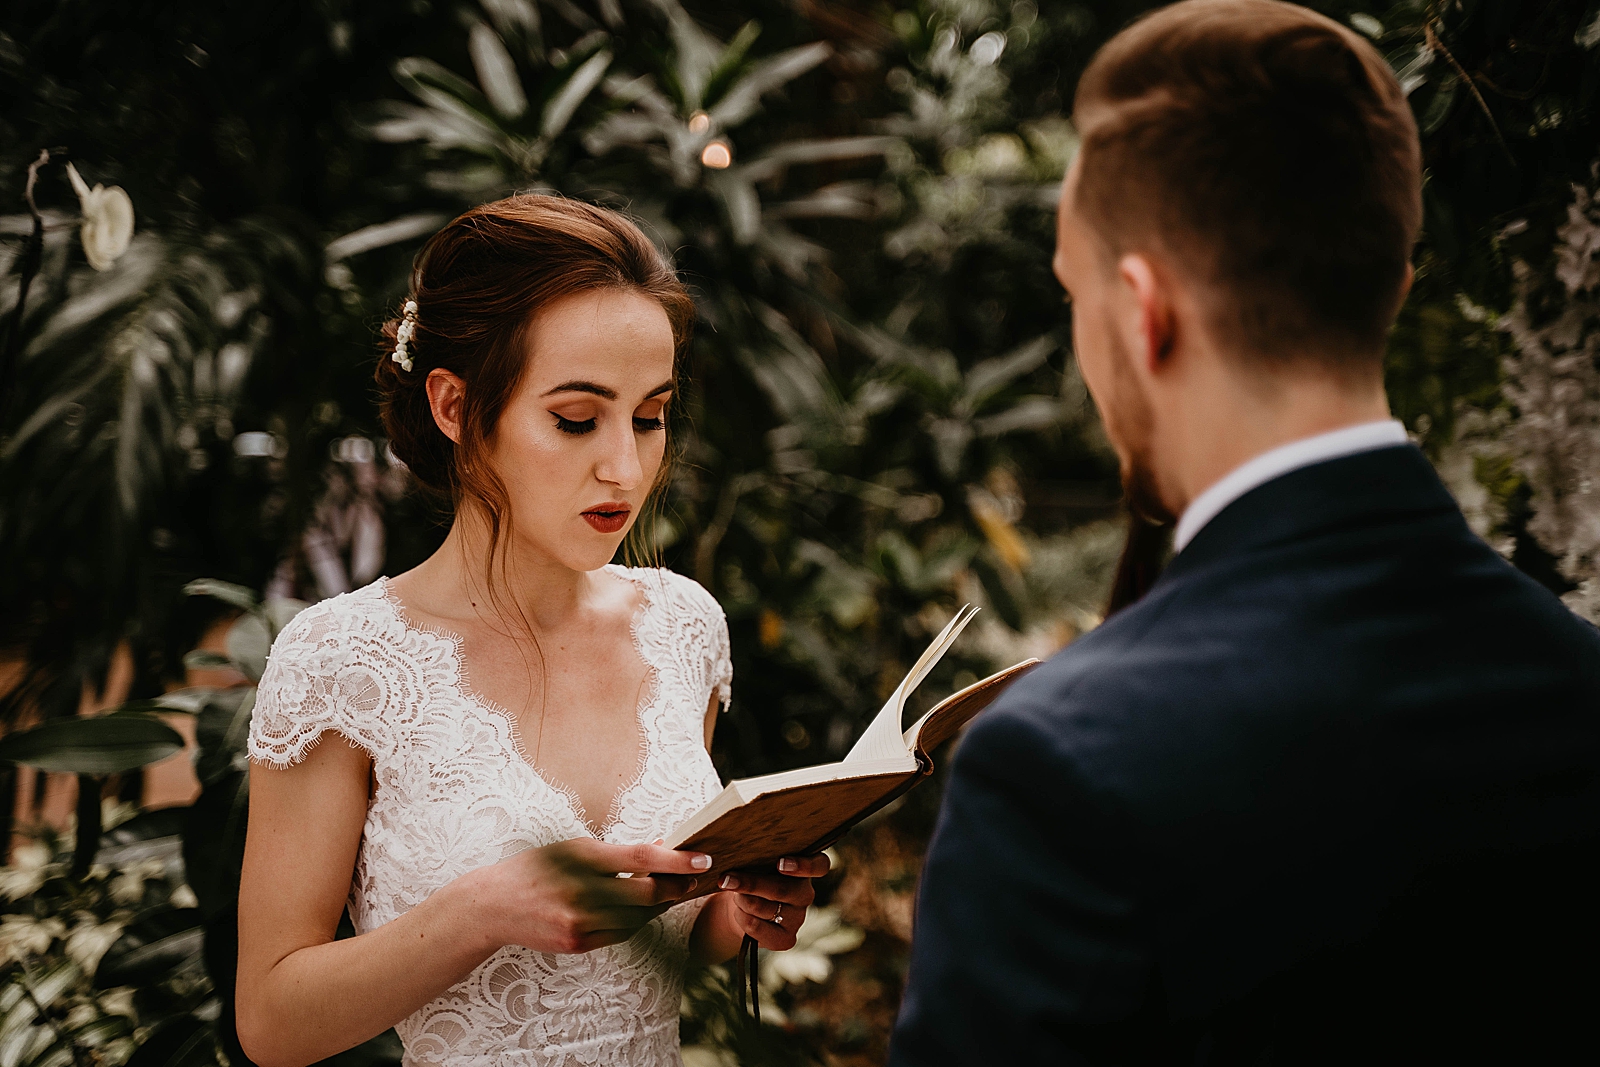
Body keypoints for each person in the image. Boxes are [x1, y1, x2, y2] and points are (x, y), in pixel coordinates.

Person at [891, 1, 1600, 1062]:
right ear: (1395, 289)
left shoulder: (1059, 769)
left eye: (1072, 293)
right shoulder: (1575, 681)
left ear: (1142, 310)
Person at [235, 195, 827, 1067]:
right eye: (577, 419)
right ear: (453, 406)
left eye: (651, 415)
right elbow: (271, 1020)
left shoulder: (684, 628)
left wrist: (736, 914)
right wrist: (483, 910)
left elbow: (666, 937)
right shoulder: (345, 664)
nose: (624, 467)